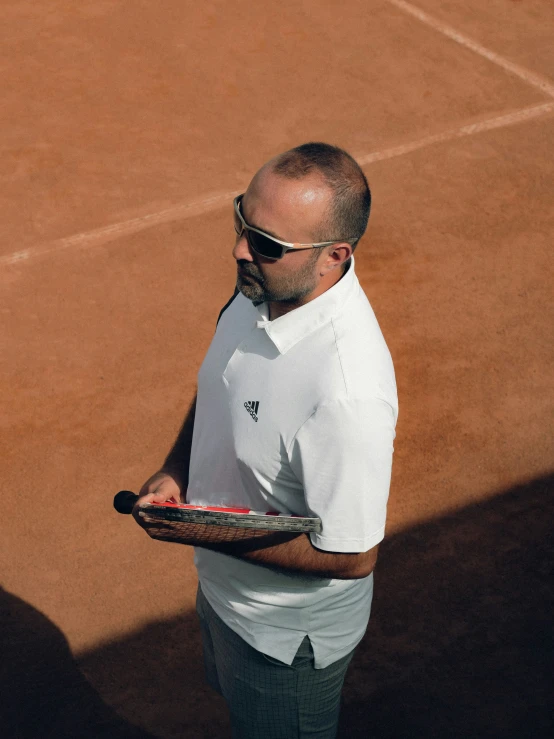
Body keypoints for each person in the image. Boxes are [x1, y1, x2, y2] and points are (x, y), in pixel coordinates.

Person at [132, 142, 398, 739]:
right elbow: (223, 385)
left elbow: (351, 555)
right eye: (240, 221)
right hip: (224, 593)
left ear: (334, 256)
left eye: (267, 244)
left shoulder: (347, 393)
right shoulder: (263, 290)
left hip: (281, 643)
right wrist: (178, 469)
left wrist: (196, 528)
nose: (239, 249)